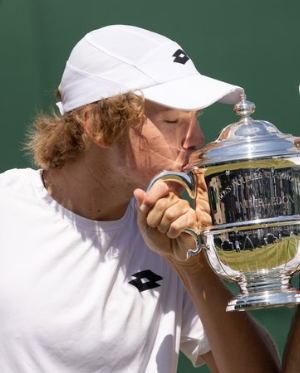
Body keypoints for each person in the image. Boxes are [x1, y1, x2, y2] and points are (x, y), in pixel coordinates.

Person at [0, 24, 280, 373]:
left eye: (196, 120)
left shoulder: (174, 237)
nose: (197, 139)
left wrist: (193, 267)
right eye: (173, 120)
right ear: (98, 125)